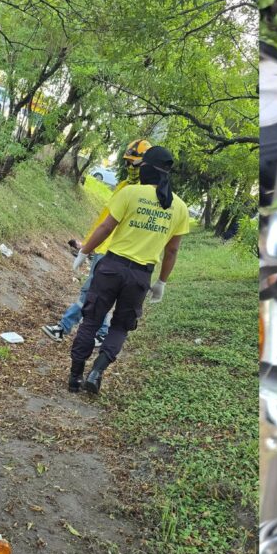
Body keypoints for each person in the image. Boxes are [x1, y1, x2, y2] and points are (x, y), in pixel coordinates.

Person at [68, 145, 189, 395]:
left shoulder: (131, 193)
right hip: (140, 276)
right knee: (120, 327)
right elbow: (172, 251)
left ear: (146, 168)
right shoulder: (180, 208)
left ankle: (75, 376)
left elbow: (105, 228)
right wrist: (162, 282)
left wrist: (84, 251)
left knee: (91, 320)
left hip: (111, 268)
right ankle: (97, 371)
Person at [42, 139, 153, 344]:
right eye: (127, 163)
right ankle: (101, 333)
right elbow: (104, 220)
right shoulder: (123, 186)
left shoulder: (144, 194)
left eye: (134, 163)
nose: (130, 167)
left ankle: (63, 327)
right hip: (103, 248)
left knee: (90, 293)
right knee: (97, 295)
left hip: (115, 253)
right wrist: (87, 245)